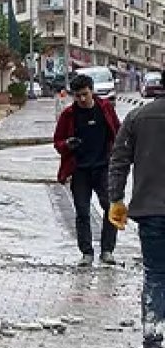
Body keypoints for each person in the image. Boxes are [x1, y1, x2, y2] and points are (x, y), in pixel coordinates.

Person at [108, 93, 165, 348]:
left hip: (152, 211)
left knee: (155, 276)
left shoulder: (139, 117)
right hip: (152, 210)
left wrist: (116, 199)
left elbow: (119, 161)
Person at [52, 73, 122, 266]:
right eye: (77, 95)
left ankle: (107, 250)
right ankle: (87, 253)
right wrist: (67, 144)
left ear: (92, 91)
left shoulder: (105, 109)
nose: (82, 99)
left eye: (85, 94)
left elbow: (118, 132)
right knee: (82, 211)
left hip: (103, 168)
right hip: (80, 171)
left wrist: (120, 160)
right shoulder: (69, 115)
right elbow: (57, 142)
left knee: (110, 207)